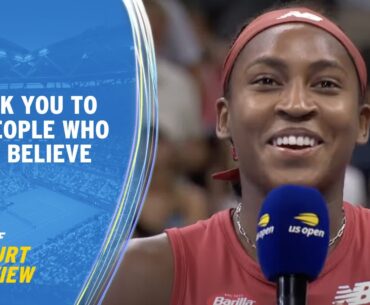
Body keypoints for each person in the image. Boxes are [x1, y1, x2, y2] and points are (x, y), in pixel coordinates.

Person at [102, 4, 370, 305]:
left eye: (326, 84)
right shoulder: (142, 272)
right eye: (267, 81)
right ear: (223, 119)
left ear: (362, 123)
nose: (296, 105)